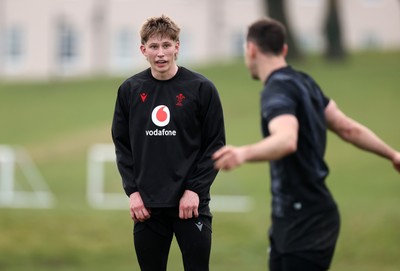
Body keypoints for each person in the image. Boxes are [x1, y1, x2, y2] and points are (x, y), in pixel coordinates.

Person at [212, 17, 400, 271]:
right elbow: (347, 127)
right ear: (285, 50)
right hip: (309, 214)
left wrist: (244, 153)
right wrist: (392, 154)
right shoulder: (304, 82)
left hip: (302, 221)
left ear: (252, 50)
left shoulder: (276, 90)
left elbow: (287, 139)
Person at [112, 15, 225, 271]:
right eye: (153, 46)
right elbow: (122, 145)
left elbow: (215, 145)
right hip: (147, 208)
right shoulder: (129, 90)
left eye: (166, 45)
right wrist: (133, 193)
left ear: (177, 46)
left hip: (191, 205)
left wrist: (195, 190)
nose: (160, 53)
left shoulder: (201, 89)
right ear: (143, 50)